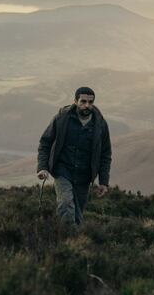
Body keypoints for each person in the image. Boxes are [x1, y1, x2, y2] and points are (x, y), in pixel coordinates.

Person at [37, 86, 111, 225]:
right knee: (66, 205)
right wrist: (43, 167)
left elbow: (105, 154)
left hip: (84, 176)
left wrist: (103, 182)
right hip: (63, 171)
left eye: (90, 102)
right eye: (83, 101)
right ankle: (66, 239)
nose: (87, 105)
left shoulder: (100, 125)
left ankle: (75, 243)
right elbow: (45, 143)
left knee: (77, 215)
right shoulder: (62, 118)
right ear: (75, 101)